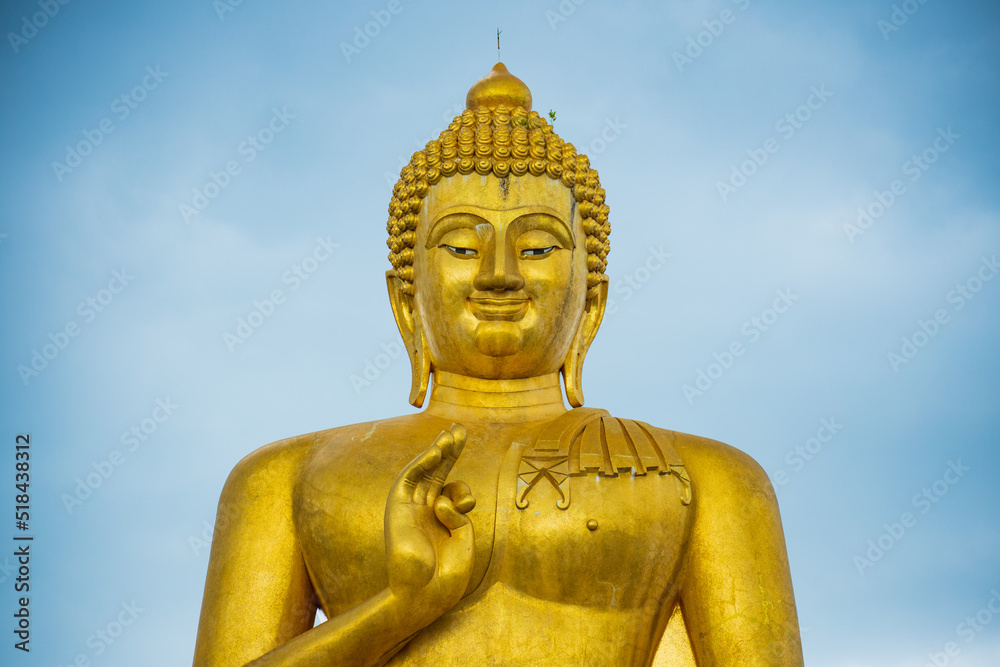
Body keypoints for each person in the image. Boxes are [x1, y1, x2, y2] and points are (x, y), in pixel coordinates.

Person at [194, 63, 804, 666]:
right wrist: (400, 608)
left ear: (591, 303)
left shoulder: (705, 478)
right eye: (461, 247)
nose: (499, 276)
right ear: (406, 301)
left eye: (537, 248)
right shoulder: (288, 478)